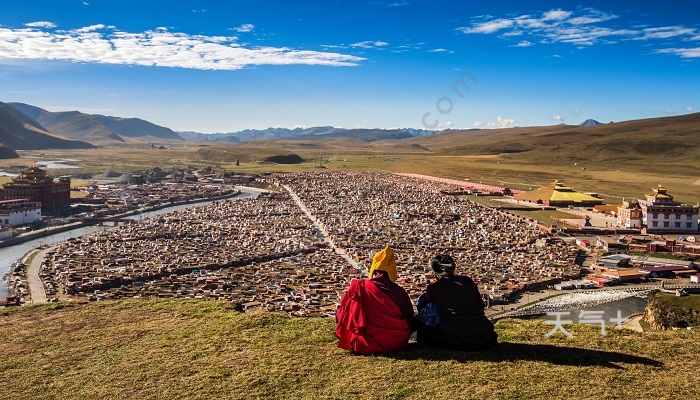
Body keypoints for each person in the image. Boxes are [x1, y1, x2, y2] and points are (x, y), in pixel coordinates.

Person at [335, 246, 414, 354]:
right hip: (395, 342)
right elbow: (408, 316)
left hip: (363, 344)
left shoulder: (359, 287)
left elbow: (345, 313)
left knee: (341, 311)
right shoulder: (399, 292)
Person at [416, 254, 498, 351]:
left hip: (453, 338)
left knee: (422, 306)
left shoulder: (434, 288)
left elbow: (424, 308)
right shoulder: (468, 281)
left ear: (435, 271)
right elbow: (480, 305)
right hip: (483, 335)